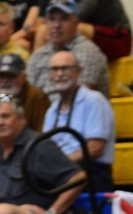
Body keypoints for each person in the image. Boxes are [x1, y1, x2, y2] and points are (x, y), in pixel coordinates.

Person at [42, 50, 115, 192]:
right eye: (55, 69)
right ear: (49, 75)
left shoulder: (94, 100)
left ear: (79, 72)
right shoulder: (52, 110)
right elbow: (46, 148)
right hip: (60, 172)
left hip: (91, 174)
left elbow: (95, 148)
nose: (60, 74)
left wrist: (60, 163)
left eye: (65, 68)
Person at [27, 0, 109, 99]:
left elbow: (80, 99)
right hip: (46, 111)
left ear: (76, 23)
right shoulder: (38, 55)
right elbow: (25, 95)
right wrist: (4, 98)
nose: (56, 25)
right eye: (52, 19)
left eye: (64, 19)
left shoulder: (88, 52)